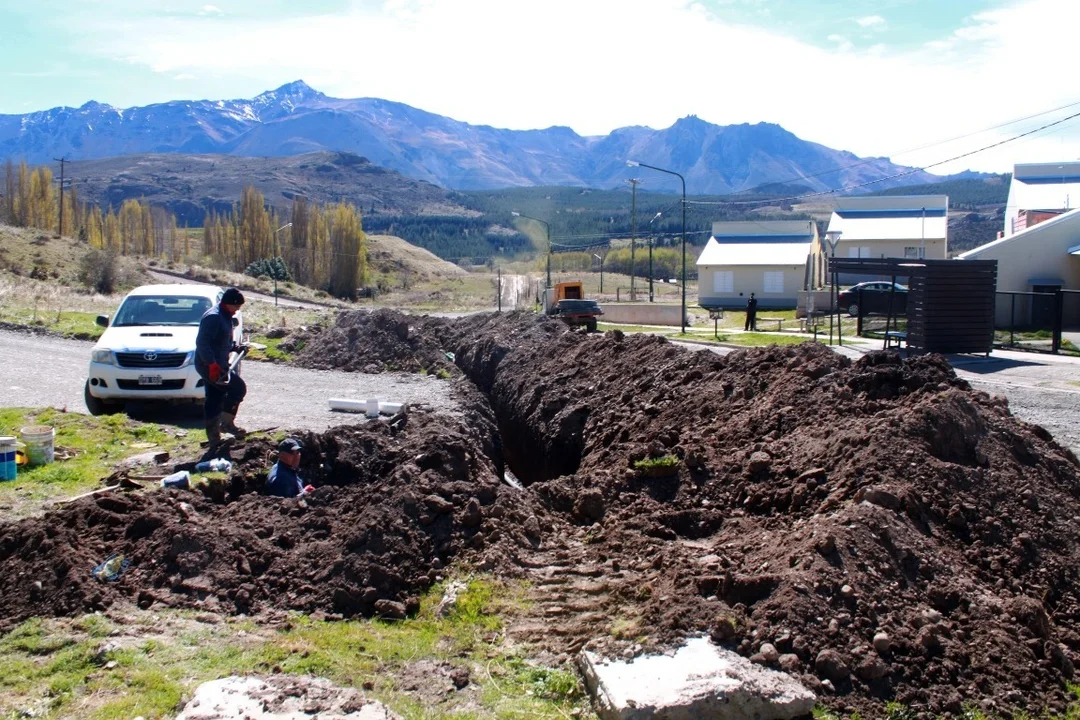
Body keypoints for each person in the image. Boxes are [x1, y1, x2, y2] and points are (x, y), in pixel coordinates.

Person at [195, 287, 247, 448]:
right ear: (230, 303)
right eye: (237, 306)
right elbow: (202, 343)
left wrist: (235, 348)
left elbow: (220, 341)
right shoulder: (214, 317)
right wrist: (211, 364)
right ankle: (226, 424)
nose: (238, 310)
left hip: (217, 363)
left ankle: (214, 439)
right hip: (211, 365)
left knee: (214, 398)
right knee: (238, 388)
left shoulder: (225, 315)